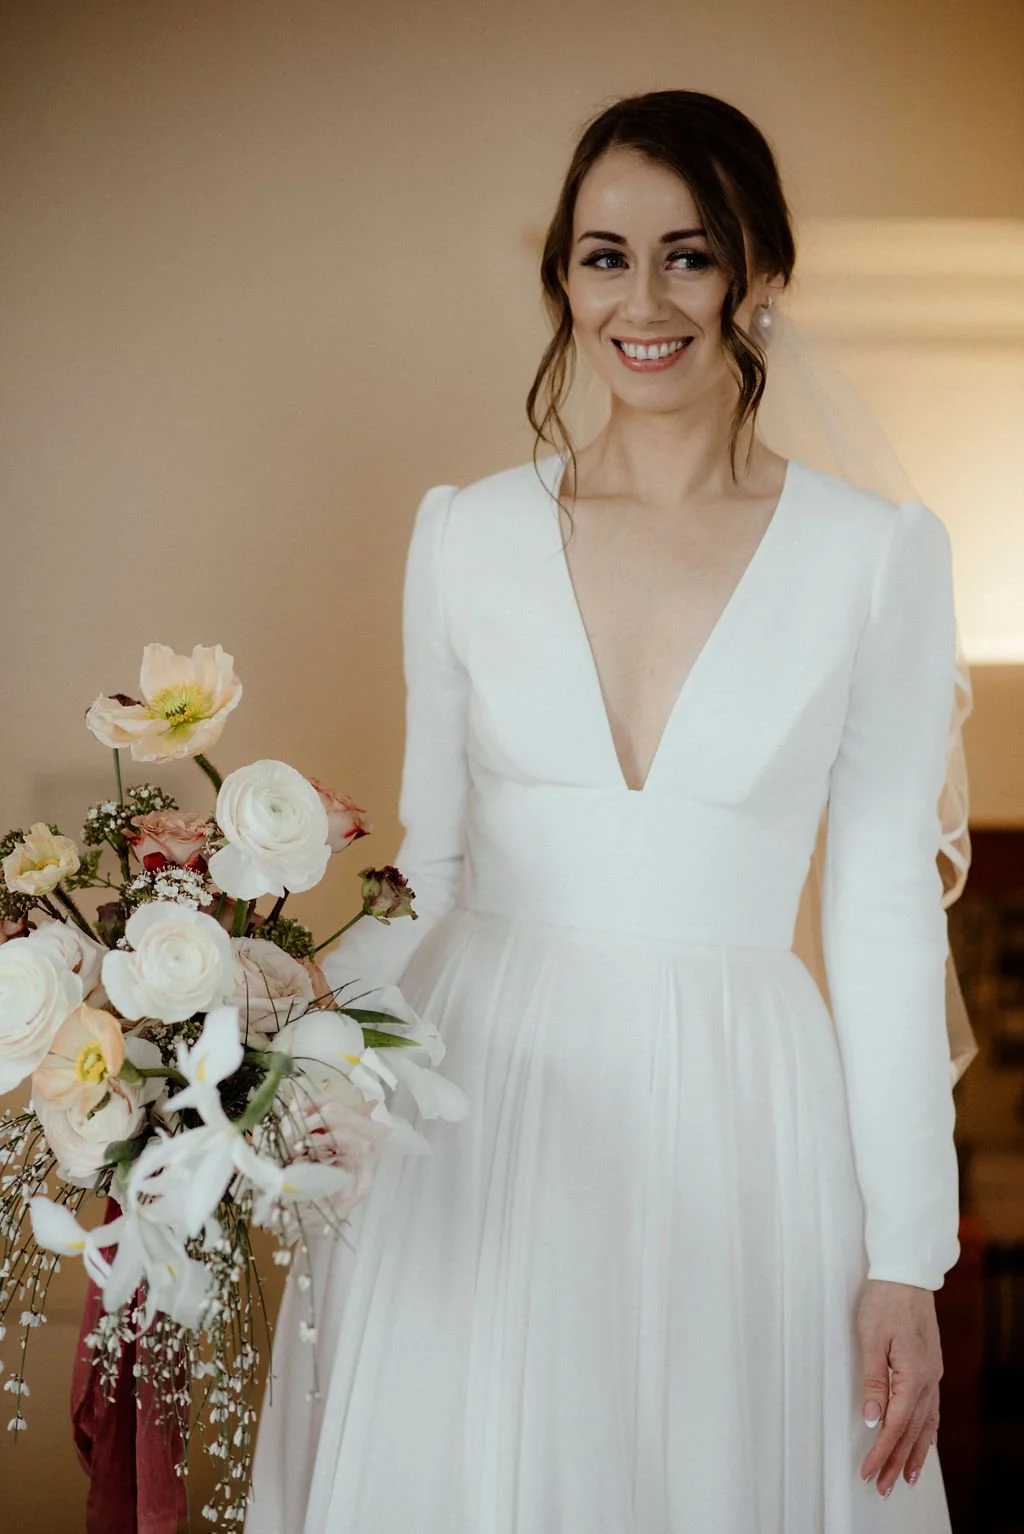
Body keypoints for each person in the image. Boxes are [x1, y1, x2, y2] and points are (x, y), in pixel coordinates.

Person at [247, 90, 962, 1533]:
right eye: (603, 256)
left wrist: (909, 1255)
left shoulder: (872, 556)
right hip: (480, 1100)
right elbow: (432, 877)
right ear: (563, 280)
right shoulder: (465, 535)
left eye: (689, 256)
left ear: (759, 272)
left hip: (743, 1110)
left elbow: (883, 918)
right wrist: (248, 1027)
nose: (644, 300)